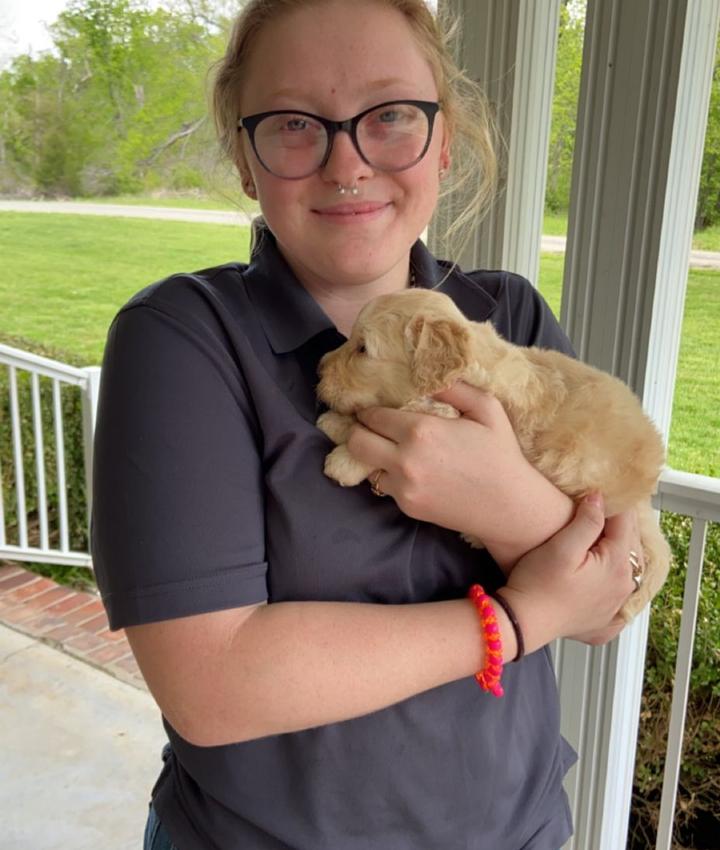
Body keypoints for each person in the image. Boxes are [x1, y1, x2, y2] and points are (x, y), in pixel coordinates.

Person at [90, 1, 642, 848]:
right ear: (246, 157)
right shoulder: (184, 338)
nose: (347, 164)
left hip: (522, 830)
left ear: (444, 140)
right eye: (294, 123)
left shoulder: (509, 315)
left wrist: (505, 511)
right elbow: (212, 688)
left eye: (389, 116)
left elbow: (611, 605)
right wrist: (520, 616)